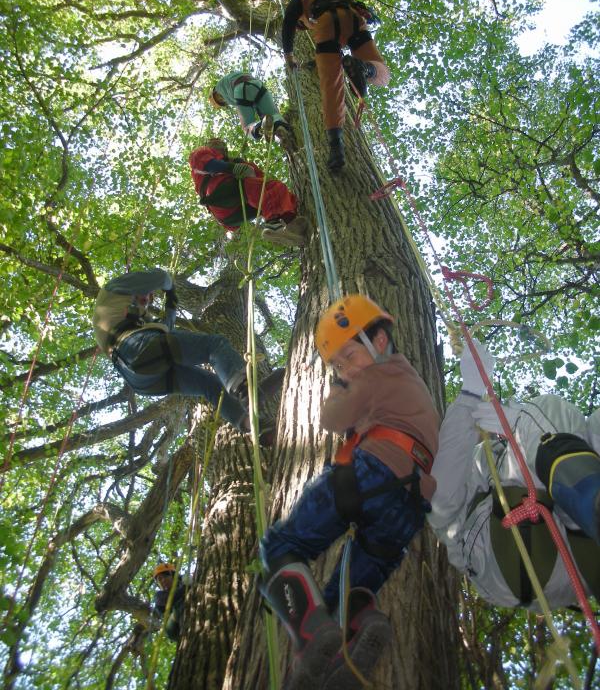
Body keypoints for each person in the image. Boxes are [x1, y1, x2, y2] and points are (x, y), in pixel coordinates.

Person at [259, 295, 440, 690]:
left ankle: (309, 634)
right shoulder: (408, 382)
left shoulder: (376, 376)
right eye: (337, 365)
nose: (344, 368)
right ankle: (353, 632)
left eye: (347, 356)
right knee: (346, 589)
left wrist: (339, 389)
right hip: (409, 503)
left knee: (280, 546)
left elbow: (331, 419)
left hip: (369, 473)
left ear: (377, 341)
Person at [428, 340, 600, 609]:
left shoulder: (492, 462)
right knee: (551, 408)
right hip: (514, 556)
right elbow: (440, 501)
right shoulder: (480, 464)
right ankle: (588, 501)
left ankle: (586, 504)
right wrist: (471, 395)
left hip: (571, 561)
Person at [93, 268, 250, 433]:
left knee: (209, 384)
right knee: (215, 345)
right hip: (136, 348)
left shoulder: (138, 322)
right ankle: (242, 385)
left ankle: (248, 422)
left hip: (141, 378)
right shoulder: (114, 290)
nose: (149, 299)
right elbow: (161, 277)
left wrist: (171, 304)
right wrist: (170, 288)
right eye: (148, 294)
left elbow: (166, 331)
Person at [282, 0, 390, 171]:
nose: (304, 27)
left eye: (303, 25)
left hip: (326, 24)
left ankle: (336, 147)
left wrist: (289, 55)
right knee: (383, 74)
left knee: (331, 86)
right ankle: (364, 68)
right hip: (354, 19)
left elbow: (289, 19)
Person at [188, 138, 308, 247]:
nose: (218, 143)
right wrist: (233, 168)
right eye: (213, 142)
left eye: (221, 143)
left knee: (278, 191)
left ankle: (290, 224)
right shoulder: (201, 152)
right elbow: (207, 164)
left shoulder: (235, 161)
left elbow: (261, 181)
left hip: (232, 215)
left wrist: (243, 164)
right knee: (271, 188)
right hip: (219, 193)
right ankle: (274, 225)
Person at [208, 71, 294, 149]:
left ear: (215, 94)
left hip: (241, 89)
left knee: (247, 128)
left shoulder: (220, 88)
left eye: (220, 100)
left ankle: (260, 128)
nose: (223, 101)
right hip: (257, 85)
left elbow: (240, 102)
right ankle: (280, 126)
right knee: (274, 114)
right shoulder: (228, 78)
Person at [152, 563, 187, 641]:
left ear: (173, 576)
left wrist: (184, 578)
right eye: (159, 579)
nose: (163, 580)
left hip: (184, 616)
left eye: (165, 576)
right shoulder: (159, 595)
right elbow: (171, 598)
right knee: (179, 606)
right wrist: (185, 586)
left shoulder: (182, 585)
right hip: (172, 628)